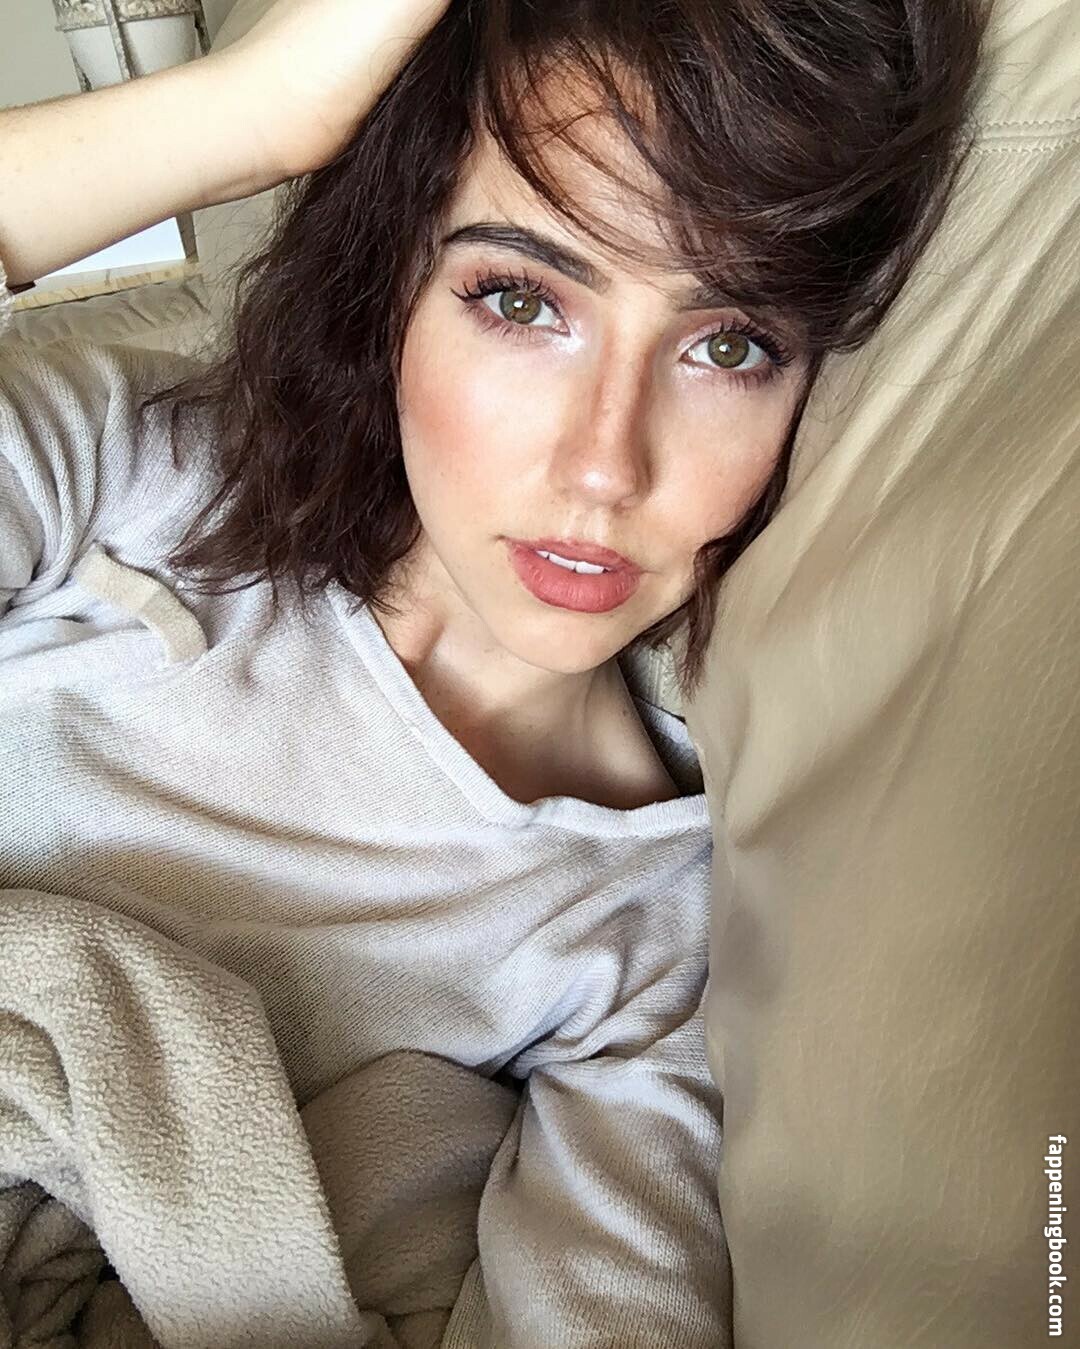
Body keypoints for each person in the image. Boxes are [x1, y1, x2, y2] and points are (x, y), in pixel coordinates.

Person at [0, 0, 989, 1343]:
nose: (604, 465)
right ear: (391, 291)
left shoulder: (644, 933)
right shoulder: (130, 470)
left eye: (728, 345)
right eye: (521, 299)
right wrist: (250, 114)